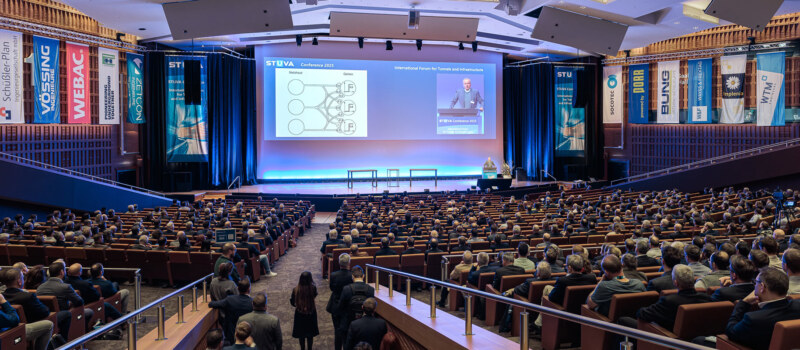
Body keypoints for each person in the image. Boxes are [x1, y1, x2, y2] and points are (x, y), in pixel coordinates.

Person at [724, 267, 800, 350]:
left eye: (756, 282)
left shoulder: (754, 319)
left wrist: (743, 303)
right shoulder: (798, 305)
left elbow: (730, 331)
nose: (754, 286)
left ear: (762, 287)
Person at [620, 264, 711, 330]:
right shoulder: (706, 298)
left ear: (675, 283)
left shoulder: (669, 301)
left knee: (623, 320)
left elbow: (642, 314)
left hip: (666, 337)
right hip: (694, 337)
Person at [0, 269, 55, 350]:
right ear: (19, 281)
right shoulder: (28, 296)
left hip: (9, 328)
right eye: (23, 278)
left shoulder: (3, 296)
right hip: (12, 333)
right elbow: (44, 312)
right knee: (49, 324)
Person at [36, 262, 94, 330]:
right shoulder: (65, 287)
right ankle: (83, 332)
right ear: (62, 272)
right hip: (64, 317)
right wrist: (70, 303)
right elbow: (80, 302)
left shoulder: (40, 287)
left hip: (46, 318)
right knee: (89, 311)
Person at [209, 279, 254, 346]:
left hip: (232, 335)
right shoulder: (253, 302)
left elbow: (213, 304)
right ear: (249, 289)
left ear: (238, 289)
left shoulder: (230, 299)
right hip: (248, 335)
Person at [337, 266, 375, 346]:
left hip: (348, 324)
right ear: (363, 276)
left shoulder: (346, 289)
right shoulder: (371, 290)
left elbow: (340, 307)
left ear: (352, 276)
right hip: (365, 326)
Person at [327, 254, 353, 350]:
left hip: (336, 305)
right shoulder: (352, 275)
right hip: (348, 305)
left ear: (339, 263)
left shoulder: (333, 275)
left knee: (337, 330)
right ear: (349, 263)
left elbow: (332, 288)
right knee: (347, 330)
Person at [290, 271, 318, 350]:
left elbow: (292, 302)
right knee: (310, 335)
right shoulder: (313, 288)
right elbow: (315, 295)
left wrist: (299, 305)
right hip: (311, 312)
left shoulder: (295, 289)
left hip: (299, 313)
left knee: (301, 334)